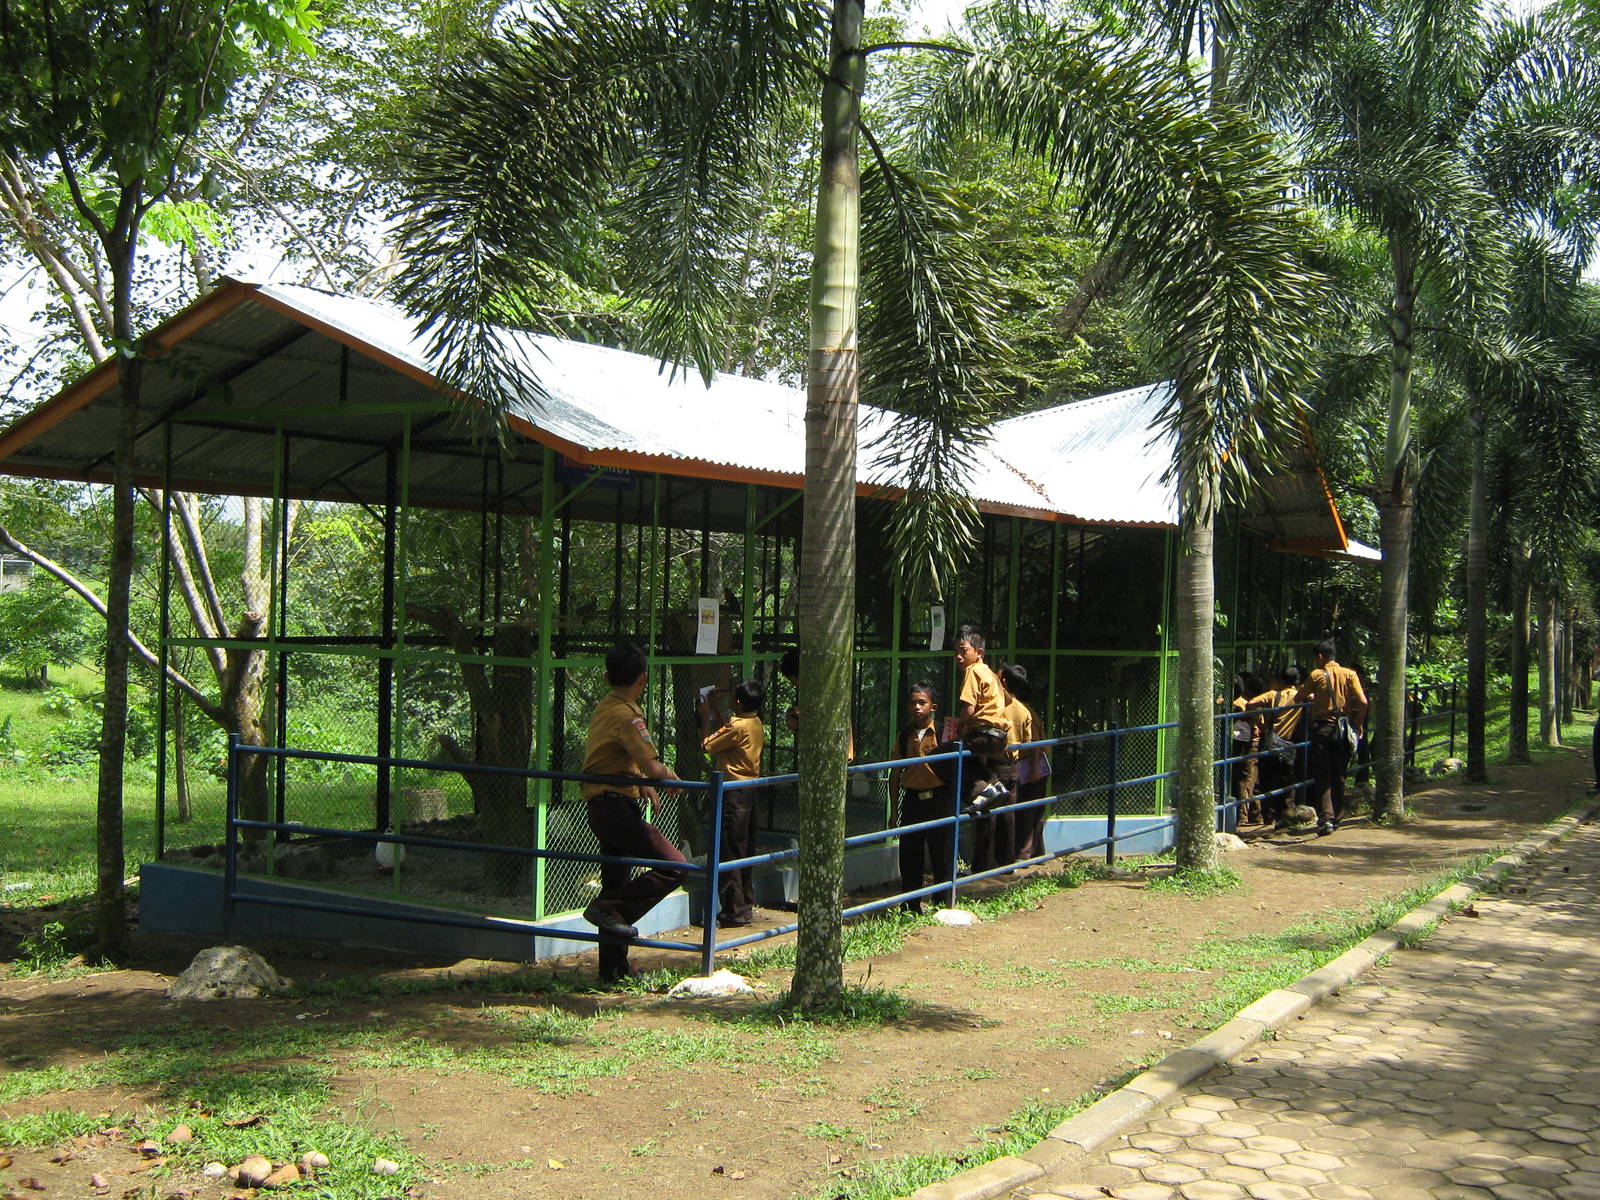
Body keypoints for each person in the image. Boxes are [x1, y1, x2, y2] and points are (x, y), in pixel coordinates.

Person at [581, 642, 689, 984]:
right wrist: (667, 777)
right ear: (643, 679)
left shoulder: (606, 707)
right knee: (676, 865)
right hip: (615, 809)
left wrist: (641, 783)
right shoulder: (628, 715)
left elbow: (614, 757)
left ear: (605, 677)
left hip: (603, 805)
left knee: (615, 883)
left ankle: (613, 969)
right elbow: (654, 767)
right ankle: (609, 909)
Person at [699, 678, 766, 927]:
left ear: (737, 702)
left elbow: (707, 745)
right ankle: (744, 905)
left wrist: (705, 716)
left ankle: (733, 912)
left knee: (729, 849)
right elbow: (727, 733)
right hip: (750, 789)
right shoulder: (755, 722)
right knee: (744, 848)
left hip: (734, 792)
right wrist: (716, 710)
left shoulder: (737, 726)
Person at [889, 681, 953, 914]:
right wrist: (894, 811)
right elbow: (895, 774)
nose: (917, 707)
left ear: (932, 707)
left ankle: (942, 902)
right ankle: (911, 905)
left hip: (939, 800)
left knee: (941, 853)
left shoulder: (945, 733)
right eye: (913, 703)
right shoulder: (904, 736)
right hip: (912, 800)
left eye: (922, 702)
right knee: (909, 854)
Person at [1296, 640, 1369, 836]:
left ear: (1320, 656)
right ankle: (1338, 815)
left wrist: (1314, 696)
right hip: (1343, 729)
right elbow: (1363, 701)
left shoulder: (1316, 675)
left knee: (1323, 774)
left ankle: (1326, 818)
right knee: (1340, 773)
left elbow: (1298, 697)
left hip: (1322, 728)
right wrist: (1358, 723)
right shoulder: (1349, 674)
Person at [952, 627, 1011, 811]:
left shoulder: (972, 671)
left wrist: (959, 726)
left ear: (979, 652)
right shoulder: (990, 673)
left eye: (963, 651)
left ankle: (981, 792)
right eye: (955, 652)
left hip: (983, 733)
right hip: (1000, 736)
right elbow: (1008, 700)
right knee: (973, 762)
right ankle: (995, 786)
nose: (958, 657)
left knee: (948, 760)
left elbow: (969, 709)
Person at [1001, 664, 1050, 861]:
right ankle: (1035, 852)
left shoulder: (1021, 710)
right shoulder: (1024, 708)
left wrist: (1034, 769)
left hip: (1031, 765)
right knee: (1033, 810)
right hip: (1030, 765)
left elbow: (1035, 742)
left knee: (1028, 812)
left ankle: (1024, 854)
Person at [1231, 672, 1266, 826]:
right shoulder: (1256, 703)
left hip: (1249, 745)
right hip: (1254, 744)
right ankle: (1257, 816)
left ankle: (1242, 817)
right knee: (1253, 781)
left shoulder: (1242, 704)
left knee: (1245, 781)